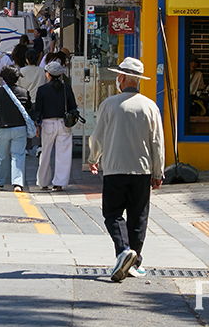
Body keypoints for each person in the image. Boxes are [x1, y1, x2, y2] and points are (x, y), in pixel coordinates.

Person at [87, 57, 164, 283]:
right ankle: (134, 261)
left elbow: (98, 136)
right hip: (142, 169)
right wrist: (158, 172)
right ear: (138, 81)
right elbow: (157, 142)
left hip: (114, 168)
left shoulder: (109, 104)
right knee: (138, 216)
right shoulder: (150, 106)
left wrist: (93, 158)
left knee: (112, 214)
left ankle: (123, 251)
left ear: (121, 78)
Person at [33, 59, 78, 191]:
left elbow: (38, 110)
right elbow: (73, 107)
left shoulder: (42, 90)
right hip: (64, 123)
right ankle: (59, 183)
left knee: (45, 153)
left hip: (48, 123)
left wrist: (36, 124)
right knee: (63, 154)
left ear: (48, 74)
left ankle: (43, 182)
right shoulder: (67, 88)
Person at [0, 64, 32, 192]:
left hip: (2, 127)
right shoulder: (23, 92)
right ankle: (18, 183)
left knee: (1, 155)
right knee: (18, 155)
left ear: (3, 78)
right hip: (19, 127)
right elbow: (29, 107)